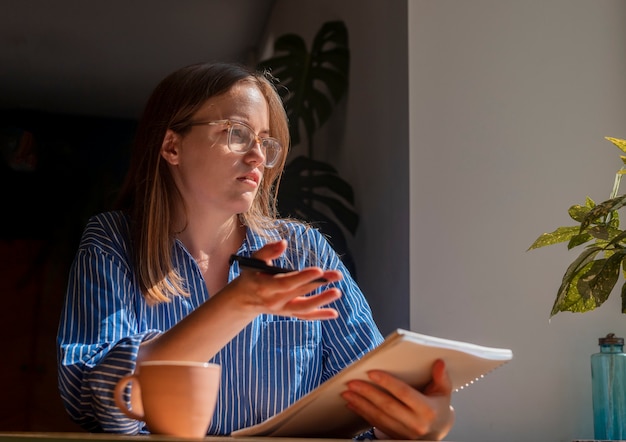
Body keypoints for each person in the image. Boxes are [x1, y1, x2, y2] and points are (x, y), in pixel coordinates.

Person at [56, 61, 455, 440]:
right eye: (236, 133)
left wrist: (410, 426)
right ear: (172, 146)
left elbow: (369, 399)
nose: (258, 157)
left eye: (266, 142)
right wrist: (237, 304)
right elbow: (100, 403)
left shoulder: (303, 251)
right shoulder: (112, 242)